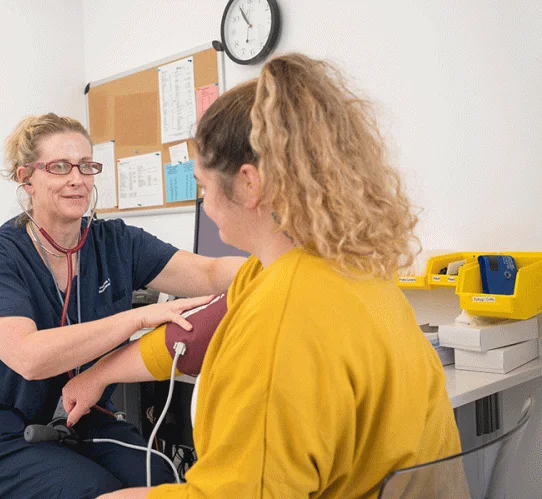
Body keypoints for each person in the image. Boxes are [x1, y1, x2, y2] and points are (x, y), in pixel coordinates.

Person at [61, 53, 462, 499]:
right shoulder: (343, 264)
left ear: (249, 184)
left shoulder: (281, 322)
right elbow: (200, 330)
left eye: (203, 187)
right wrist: (100, 372)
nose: (206, 205)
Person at [0, 113, 245, 499]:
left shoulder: (116, 242)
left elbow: (209, 272)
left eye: (86, 166)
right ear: (25, 178)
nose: (77, 179)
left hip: (87, 420)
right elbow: (29, 357)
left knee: (165, 482)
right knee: (94, 490)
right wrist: (136, 316)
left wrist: (286, 265)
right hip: (0, 433)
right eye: (60, 166)